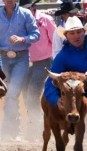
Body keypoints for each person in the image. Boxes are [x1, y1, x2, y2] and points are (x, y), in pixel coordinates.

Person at [0, 0, 40, 141]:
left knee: (12, 93)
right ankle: (12, 130)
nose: (9, 1)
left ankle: (10, 129)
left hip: (21, 58)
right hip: (2, 57)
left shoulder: (25, 14)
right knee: (8, 93)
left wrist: (22, 39)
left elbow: (36, 35)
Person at [20, 0, 56, 142]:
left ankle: (37, 128)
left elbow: (55, 40)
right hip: (25, 61)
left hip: (44, 61)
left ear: (33, 8)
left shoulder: (45, 19)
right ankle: (35, 126)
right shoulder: (18, 21)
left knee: (32, 94)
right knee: (26, 95)